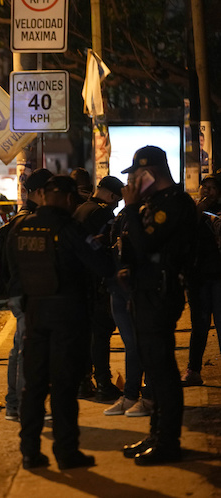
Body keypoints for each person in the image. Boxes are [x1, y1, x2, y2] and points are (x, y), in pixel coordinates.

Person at [7, 175, 115, 470]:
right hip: (68, 316)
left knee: (34, 387)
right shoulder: (71, 229)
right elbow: (103, 266)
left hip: (35, 315)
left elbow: (13, 271)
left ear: (43, 196)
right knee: (65, 386)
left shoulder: (23, 227)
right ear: (69, 200)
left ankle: (30, 452)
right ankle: (66, 452)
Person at [118, 145, 197, 466]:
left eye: (137, 174)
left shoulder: (174, 203)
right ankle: (156, 434)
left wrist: (132, 207)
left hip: (160, 293)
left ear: (150, 172)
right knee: (153, 366)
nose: (133, 181)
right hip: (145, 291)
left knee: (162, 370)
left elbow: (147, 242)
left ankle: (168, 442)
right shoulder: (153, 203)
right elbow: (132, 244)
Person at [1, 167, 53, 421]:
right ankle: (24, 406)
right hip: (27, 294)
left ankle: (15, 404)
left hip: (19, 293)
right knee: (26, 350)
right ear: (42, 192)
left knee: (20, 348)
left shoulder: (19, 218)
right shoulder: (31, 220)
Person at [73, 176, 125, 403]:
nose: (115, 206)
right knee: (101, 334)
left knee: (86, 335)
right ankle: (103, 382)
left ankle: (84, 382)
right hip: (97, 282)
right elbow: (107, 249)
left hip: (79, 282)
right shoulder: (102, 214)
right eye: (117, 201)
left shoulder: (81, 209)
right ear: (113, 196)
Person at [104, 185, 154, 418]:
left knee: (142, 344)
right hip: (119, 286)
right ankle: (132, 395)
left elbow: (144, 248)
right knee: (131, 345)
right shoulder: (124, 214)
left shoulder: (146, 212)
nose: (127, 188)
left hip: (138, 288)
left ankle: (147, 397)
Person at [181, 174, 221, 386]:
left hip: (218, 276)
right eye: (205, 187)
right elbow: (186, 230)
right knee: (200, 325)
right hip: (198, 277)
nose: (208, 191)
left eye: (213, 188)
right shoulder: (193, 210)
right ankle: (193, 370)